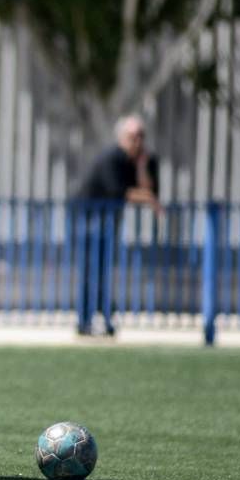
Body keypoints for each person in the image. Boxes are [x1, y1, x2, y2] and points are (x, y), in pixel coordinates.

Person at [71, 114, 162, 336]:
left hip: (106, 222)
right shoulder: (112, 158)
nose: (138, 142)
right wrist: (148, 199)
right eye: (133, 137)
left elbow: (150, 188)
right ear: (122, 138)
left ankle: (103, 318)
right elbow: (118, 192)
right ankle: (85, 321)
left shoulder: (141, 161)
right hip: (89, 219)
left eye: (141, 136)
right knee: (91, 270)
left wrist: (141, 166)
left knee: (102, 270)